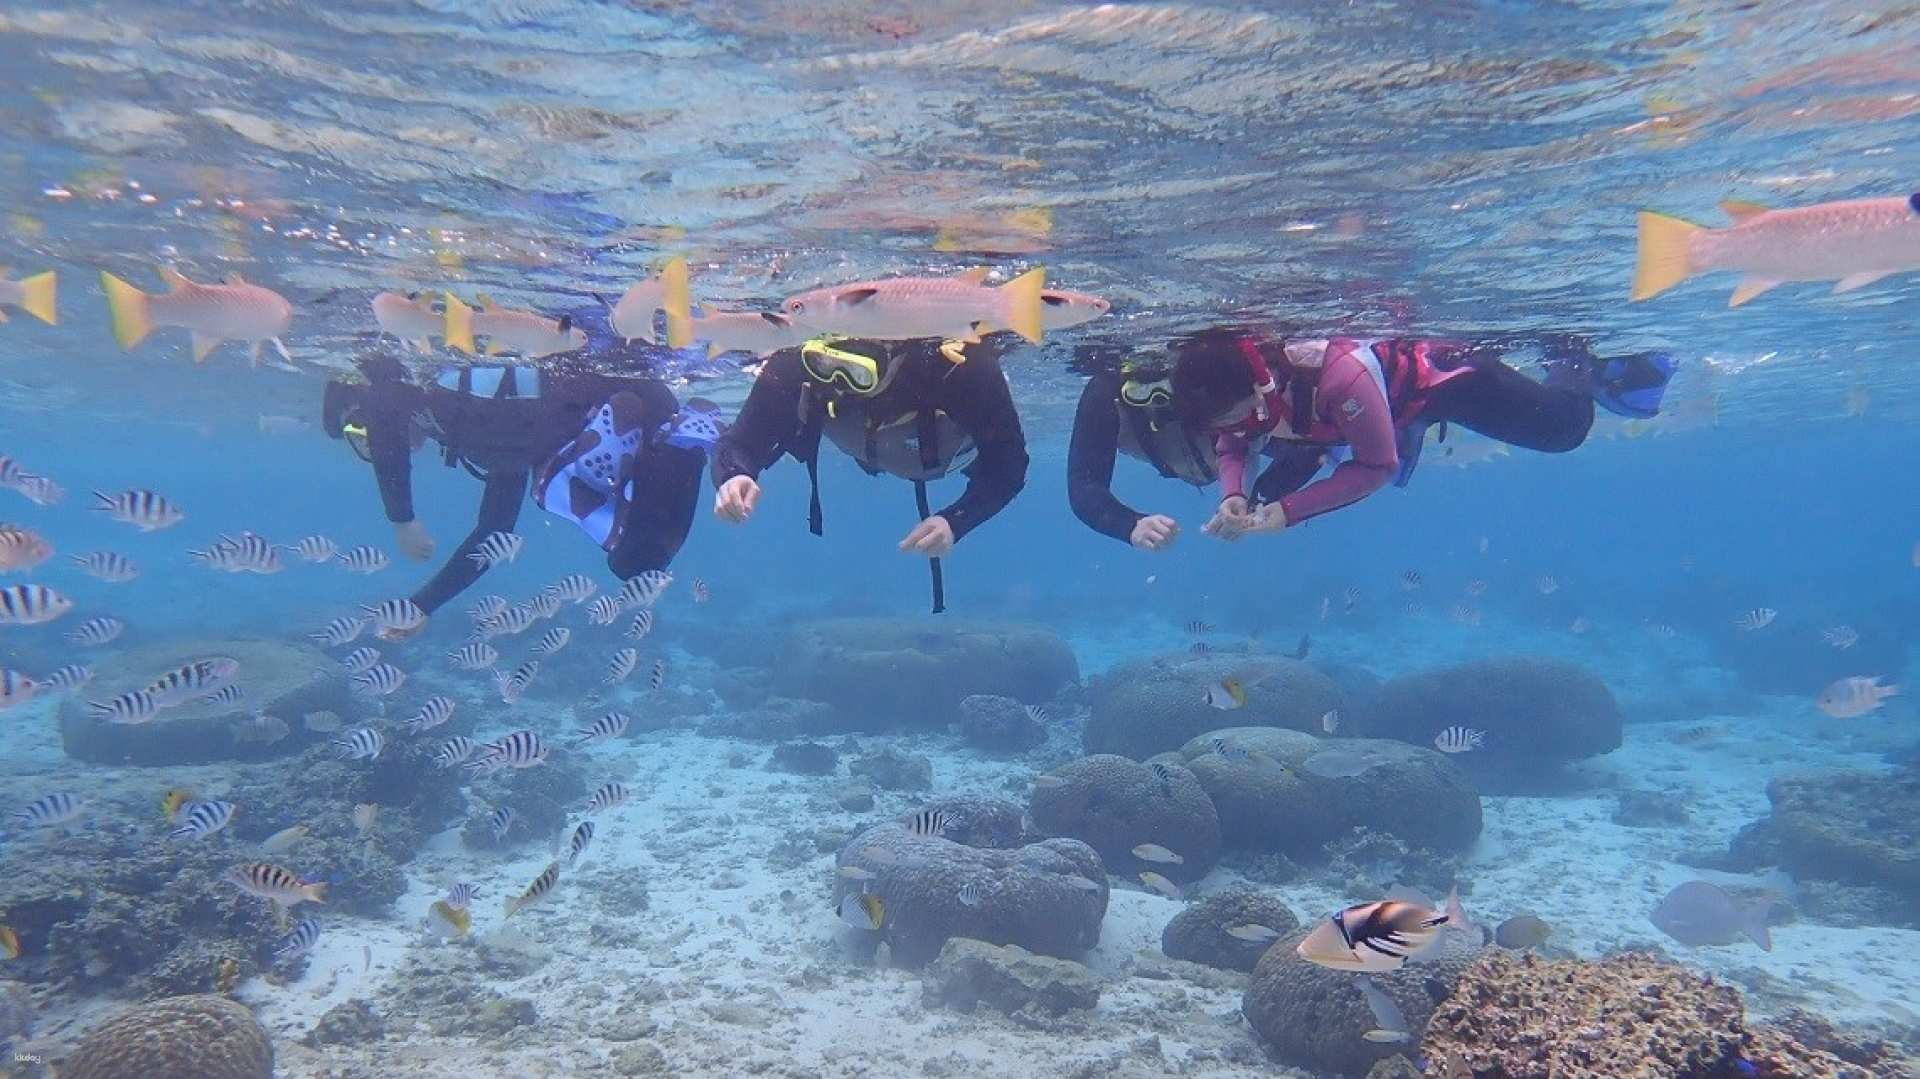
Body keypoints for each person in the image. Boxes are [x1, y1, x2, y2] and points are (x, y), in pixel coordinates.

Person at [1159, 329, 1675, 539]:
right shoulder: (1239, 397)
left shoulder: (1340, 378)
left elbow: (1375, 466)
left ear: (1260, 384)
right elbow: (1237, 439)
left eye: (1236, 413)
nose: (1230, 428)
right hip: (1370, 416)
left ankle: (1576, 360)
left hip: (1446, 386)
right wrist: (1234, 495)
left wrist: (1282, 514)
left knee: (1563, 431)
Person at [322, 344, 717, 616]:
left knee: (549, 490)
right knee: (640, 560)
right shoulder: (475, 432)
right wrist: (423, 605)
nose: (379, 447)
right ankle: (683, 444)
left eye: (365, 438)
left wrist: (402, 518)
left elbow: (384, 406)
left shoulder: (417, 391)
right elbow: (493, 534)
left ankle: (591, 459)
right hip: (646, 401)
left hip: (582, 398)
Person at [710, 335, 1029, 611]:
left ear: (896, 359)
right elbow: (738, 441)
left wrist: (956, 520)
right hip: (875, 449)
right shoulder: (796, 364)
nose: (839, 382)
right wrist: (735, 475)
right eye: (826, 364)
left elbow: (1009, 465)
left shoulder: (961, 365)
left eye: (859, 372)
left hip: (955, 451)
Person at [1064, 349, 1218, 551]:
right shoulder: (1105, 394)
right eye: (1139, 392)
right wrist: (1130, 525)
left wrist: (1268, 497)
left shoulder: (1213, 372)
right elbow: (1083, 483)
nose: (1158, 398)